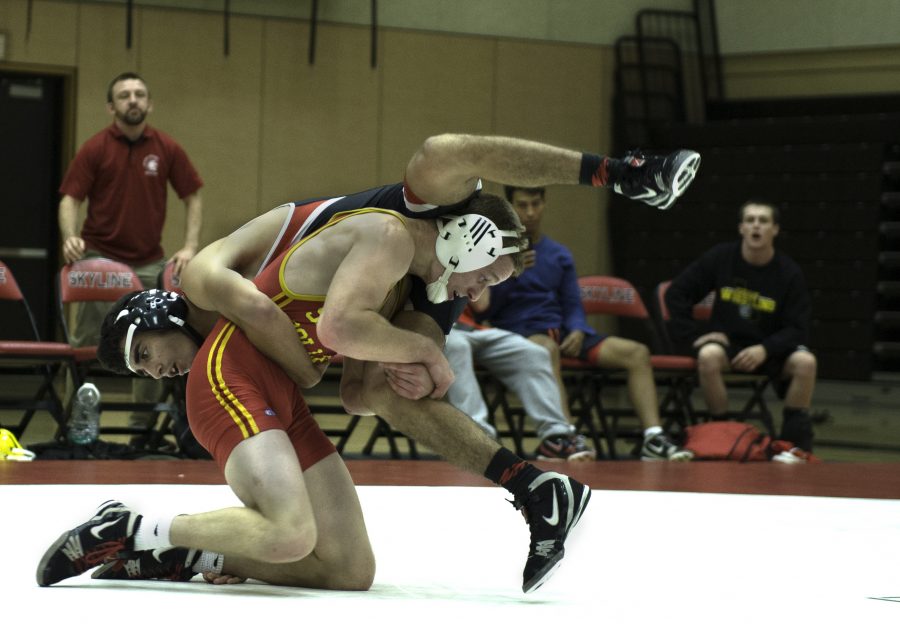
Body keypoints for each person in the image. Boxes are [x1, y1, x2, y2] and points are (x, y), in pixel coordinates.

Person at [37, 134, 700, 593]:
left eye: (149, 357)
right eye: (487, 274)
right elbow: (316, 331)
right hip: (261, 366)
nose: (157, 371)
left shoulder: (409, 266)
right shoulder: (225, 281)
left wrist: (407, 355)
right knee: (291, 531)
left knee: (349, 570)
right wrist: (399, 353)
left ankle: (532, 485)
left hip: (323, 342)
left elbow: (357, 388)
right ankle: (131, 528)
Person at [474, 185, 694, 461]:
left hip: (563, 330)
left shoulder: (559, 254)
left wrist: (577, 328)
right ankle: (564, 435)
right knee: (546, 349)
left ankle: (653, 436)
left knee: (637, 353)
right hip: (520, 330)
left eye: (535, 204)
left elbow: (572, 302)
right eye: (522, 205)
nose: (529, 212)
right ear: (510, 208)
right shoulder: (496, 253)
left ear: (543, 205)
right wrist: (512, 274)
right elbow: (486, 309)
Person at [58, 71, 203, 438]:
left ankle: (142, 426)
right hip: (100, 257)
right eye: (124, 95)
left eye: (139, 94)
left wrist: (189, 247)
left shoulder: (166, 147)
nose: (133, 100)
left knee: (155, 341)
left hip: (150, 259)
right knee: (85, 345)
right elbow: (70, 198)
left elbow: (193, 195)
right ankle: (75, 423)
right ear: (111, 107)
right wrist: (69, 237)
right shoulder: (95, 148)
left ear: (149, 103)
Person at [664, 200, 817, 451]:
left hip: (770, 349)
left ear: (775, 229)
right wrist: (695, 336)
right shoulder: (721, 258)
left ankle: (792, 442)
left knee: (806, 362)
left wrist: (765, 349)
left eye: (763, 220)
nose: (756, 225)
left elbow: (798, 328)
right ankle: (721, 431)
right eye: (750, 220)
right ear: (741, 228)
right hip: (730, 346)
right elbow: (676, 294)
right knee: (708, 355)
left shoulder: (789, 272)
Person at [445, 304, 596, 461]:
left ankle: (555, 437)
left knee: (533, 353)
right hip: (438, 329)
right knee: (457, 347)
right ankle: (477, 438)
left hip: (472, 328)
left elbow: (483, 304)